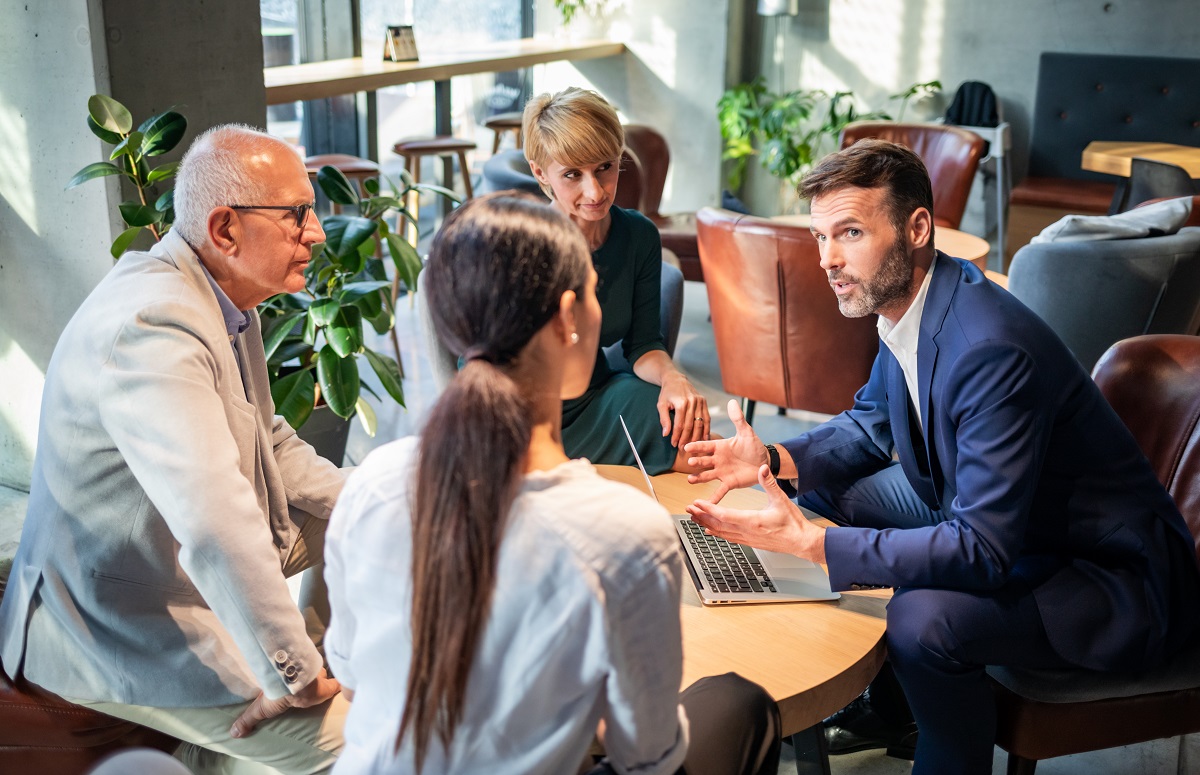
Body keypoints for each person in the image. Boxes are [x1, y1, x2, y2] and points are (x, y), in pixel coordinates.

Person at [683, 139, 1200, 775]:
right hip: (1005, 518)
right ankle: (887, 704)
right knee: (816, 499)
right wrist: (772, 458)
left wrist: (816, 548)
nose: (828, 259)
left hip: (1108, 577)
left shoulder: (988, 348)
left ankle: (947, 754)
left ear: (917, 227)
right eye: (821, 236)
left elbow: (983, 549)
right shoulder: (916, 301)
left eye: (849, 232)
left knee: (922, 619)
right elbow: (871, 428)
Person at [322, 192, 781, 775]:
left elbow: (355, 679)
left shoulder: (372, 483)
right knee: (738, 705)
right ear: (569, 316)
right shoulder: (622, 532)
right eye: (592, 291)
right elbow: (648, 755)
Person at [0, 125, 350, 773]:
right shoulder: (153, 324)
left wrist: (378, 501)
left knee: (353, 517)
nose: (318, 231)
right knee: (369, 742)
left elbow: (268, 439)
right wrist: (291, 671)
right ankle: (259, 725)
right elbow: (216, 523)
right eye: (298, 214)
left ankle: (298, 678)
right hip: (109, 624)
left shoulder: (217, 295)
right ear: (225, 229)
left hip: (164, 569)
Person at [522, 86, 707, 474]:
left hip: (598, 397)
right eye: (573, 175)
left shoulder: (638, 235)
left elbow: (643, 345)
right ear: (541, 173)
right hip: (526, 416)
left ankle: (694, 535)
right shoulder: (524, 242)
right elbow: (480, 360)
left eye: (605, 167)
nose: (595, 191)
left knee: (697, 440)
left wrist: (673, 378)